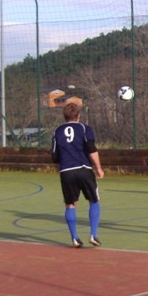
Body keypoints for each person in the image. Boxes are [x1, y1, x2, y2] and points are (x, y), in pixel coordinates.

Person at [51, 102, 104, 248]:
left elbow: (54, 157)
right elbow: (91, 149)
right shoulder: (84, 128)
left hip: (66, 171)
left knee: (70, 204)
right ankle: (93, 234)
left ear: (65, 116)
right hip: (84, 168)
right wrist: (99, 168)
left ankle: (74, 238)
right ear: (78, 116)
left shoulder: (57, 132)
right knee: (94, 200)